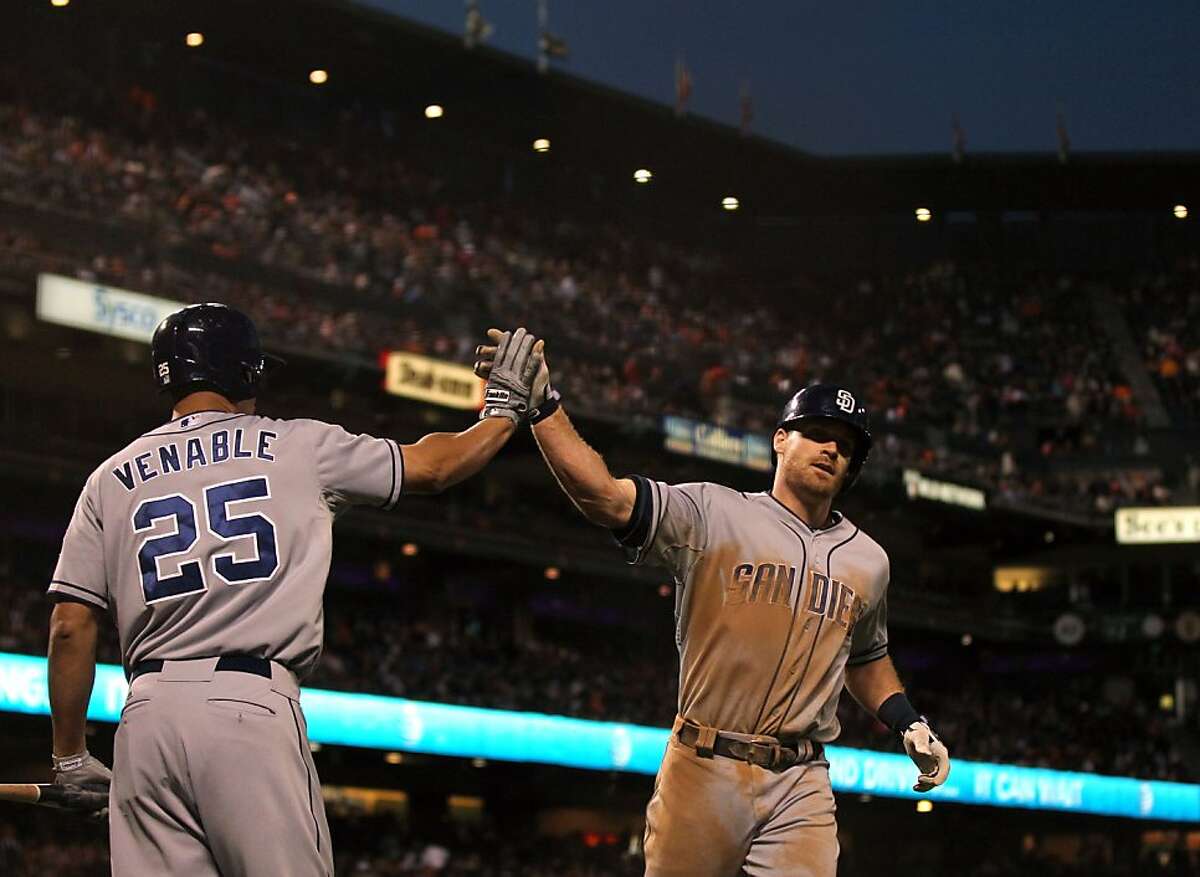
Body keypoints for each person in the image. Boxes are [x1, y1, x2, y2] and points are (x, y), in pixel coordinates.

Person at [46, 304, 543, 876]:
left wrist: (70, 757)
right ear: (246, 372)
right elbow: (432, 467)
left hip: (146, 719)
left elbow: (69, 624)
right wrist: (502, 413)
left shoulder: (109, 477)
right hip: (247, 706)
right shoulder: (298, 446)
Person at [475, 335, 951, 877]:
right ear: (780, 439)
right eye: (817, 434)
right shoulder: (710, 512)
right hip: (703, 764)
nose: (831, 450)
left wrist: (908, 722)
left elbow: (864, 656)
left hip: (802, 779)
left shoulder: (869, 560)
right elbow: (606, 497)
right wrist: (544, 410)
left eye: (845, 447)